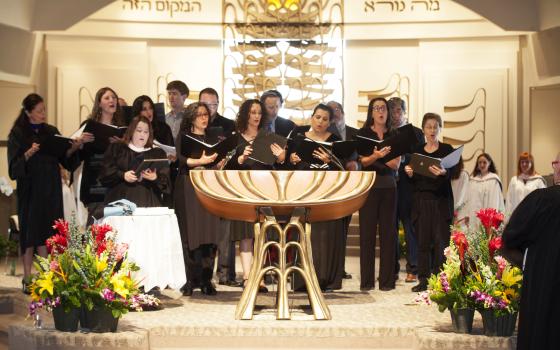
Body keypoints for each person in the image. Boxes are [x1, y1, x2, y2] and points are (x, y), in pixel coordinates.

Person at [7, 93, 83, 293]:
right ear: (28, 112)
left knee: (49, 233)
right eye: (39, 111)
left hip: (51, 189)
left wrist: (72, 149)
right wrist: (28, 153)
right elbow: (13, 168)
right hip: (30, 190)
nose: (43, 114)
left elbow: (64, 159)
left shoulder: (51, 131)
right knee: (30, 232)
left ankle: (47, 276)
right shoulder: (18, 133)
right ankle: (27, 276)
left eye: (44, 110)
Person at [225, 99, 287, 292]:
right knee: (245, 234)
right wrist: (240, 159)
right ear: (246, 114)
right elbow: (227, 165)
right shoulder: (236, 138)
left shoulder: (269, 137)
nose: (256, 116)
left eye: (259, 112)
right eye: (252, 112)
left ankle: (259, 275)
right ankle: (247, 277)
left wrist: (281, 157)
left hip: (264, 187)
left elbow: (282, 163)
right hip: (243, 188)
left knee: (262, 233)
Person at [502, 152, 560, 350]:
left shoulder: (542, 199)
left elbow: (511, 236)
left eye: (556, 162)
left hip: (544, 281)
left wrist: (525, 260)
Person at [288, 103, 346, 292]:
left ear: (330, 122)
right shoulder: (298, 138)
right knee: (305, 233)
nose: (320, 121)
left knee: (326, 235)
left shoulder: (335, 140)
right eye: (318, 117)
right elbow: (288, 164)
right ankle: (302, 279)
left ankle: (326, 279)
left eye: (325, 119)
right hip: (304, 192)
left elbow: (342, 169)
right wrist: (292, 160)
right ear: (312, 117)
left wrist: (329, 161)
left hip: (327, 193)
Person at [174, 102, 226, 296]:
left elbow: (216, 162)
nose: (204, 118)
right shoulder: (184, 136)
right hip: (188, 185)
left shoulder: (213, 137)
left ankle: (206, 280)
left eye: (206, 114)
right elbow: (179, 159)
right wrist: (199, 161)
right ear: (191, 118)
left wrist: (218, 164)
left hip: (209, 185)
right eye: (199, 115)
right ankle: (190, 280)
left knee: (209, 233)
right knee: (190, 234)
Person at [404, 113, 455, 292]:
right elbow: (413, 180)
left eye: (435, 126)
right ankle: (424, 280)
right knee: (423, 243)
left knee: (441, 243)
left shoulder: (447, 149)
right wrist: (409, 173)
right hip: (422, 201)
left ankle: (441, 281)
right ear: (424, 129)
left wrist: (444, 173)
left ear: (440, 129)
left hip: (440, 201)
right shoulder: (417, 150)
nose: (432, 130)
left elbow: (453, 172)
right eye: (429, 127)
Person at [356, 97, 401, 291]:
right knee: (366, 235)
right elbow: (362, 162)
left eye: (383, 108)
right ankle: (366, 282)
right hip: (369, 187)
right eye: (376, 108)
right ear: (371, 113)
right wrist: (377, 156)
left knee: (388, 234)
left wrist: (376, 157)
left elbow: (396, 164)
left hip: (389, 187)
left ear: (387, 112)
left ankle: (387, 282)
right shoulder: (364, 133)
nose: (381, 112)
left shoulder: (395, 134)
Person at [199, 87, 237, 286]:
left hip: (223, 180)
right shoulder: (193, 124)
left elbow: (234, 150)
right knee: (205, 229)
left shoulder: (228, 124)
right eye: (205, 104)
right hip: (202, 180)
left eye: (213, 104)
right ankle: (203, 273)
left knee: (225, 230)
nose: (209, 109)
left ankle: (225, 273)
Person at [388, 96, 424, 283]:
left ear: (404, 112)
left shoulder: (416, 132)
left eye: (398, 111)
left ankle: (413, 267)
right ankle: (392, 268)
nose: (395, 115)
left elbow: (420, 157)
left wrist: (403, 157)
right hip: (389, 185)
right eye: (392, 110)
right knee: (390, 227)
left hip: (408, 185)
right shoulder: (386, 132)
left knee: (409, 226)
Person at [99, 116, 170, 207]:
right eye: (139, 131)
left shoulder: (157, 153)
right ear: (131, 131)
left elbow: (166, 182)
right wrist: (123, 175)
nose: (142, 134)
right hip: (120, 199)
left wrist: (155, 177)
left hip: (148, 201)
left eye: (146, 132)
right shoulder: (117, 148)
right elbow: (105, 173)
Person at [79, 87, 124, 221]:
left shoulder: (122, 128)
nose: (112, 100)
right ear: (99, 103)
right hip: (95, 180)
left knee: (115, 224)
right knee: (95, 222)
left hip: (115, 180)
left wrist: (123, 144)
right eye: (107, 98)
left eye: (114, 97)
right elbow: (78, 154)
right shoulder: (89, 125)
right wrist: (80, 142)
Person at [326, 100, 358, 280]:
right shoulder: (326, 133)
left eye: (336, 109)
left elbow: (360, 155)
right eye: (331, 110)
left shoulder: (354, 133)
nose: (334, 113)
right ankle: (331, 267)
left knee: (344, 228)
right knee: (331, 228)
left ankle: (341, 267)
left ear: (343, 112)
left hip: (349, 184)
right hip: (330, 184)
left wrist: (355, 164)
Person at [464, 152, 505, 226]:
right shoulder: (473, 180)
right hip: (474, 216)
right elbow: (468, 199)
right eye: (480, 162)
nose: (482, 165)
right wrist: (467, 214)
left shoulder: (493, 180)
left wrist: (492, 217)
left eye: (484, 162)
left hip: (488, 217)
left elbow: (495, 200)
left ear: (489, 163)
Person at [505, 152, 546, 219]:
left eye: (527, 162)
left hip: (532, 218)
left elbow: (542, 202)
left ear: (531, 163)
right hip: (516, 217)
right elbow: (509, 201)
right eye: (522, 162)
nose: (524, 164)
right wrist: (507, 219)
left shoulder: (538, 181)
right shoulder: (514, 180)